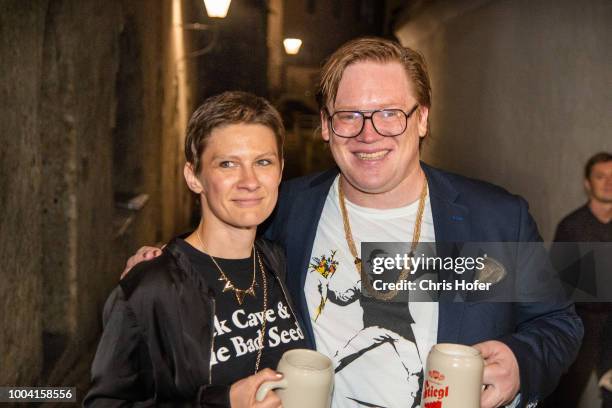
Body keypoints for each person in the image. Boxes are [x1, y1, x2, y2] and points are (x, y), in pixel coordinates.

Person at [125, 38, 583, 408]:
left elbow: (558, 323)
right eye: (348, 116)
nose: (368, 134)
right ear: (325, 125)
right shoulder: (284, 211)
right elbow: (222, 238)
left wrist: (522, 361)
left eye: (388, 114)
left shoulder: (495, 218)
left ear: (421, 118)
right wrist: (168, 263)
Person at [85, 91, 307, 407]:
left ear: (280, 170)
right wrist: (222, 402)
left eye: (263, 162)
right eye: (228, 164)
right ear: (194, 176)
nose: (249, 180)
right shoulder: (151, 287)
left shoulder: (281, 264)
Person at [544, 152, 611, 408]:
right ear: (587, 183)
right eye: (600, 176)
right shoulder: (572, 226)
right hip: (581, 321)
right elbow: (559, 285)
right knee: (564, 393)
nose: (608, 182)